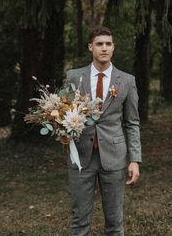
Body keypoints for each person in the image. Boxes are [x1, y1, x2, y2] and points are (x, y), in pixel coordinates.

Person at [63, 26, 142, 236]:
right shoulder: (73, 76)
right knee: (79, 221)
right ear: (91, 47)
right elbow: (63, 113)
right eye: (99, 44)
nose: (104, 48)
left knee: (115, 222)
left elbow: (132, 122)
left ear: (113, 47)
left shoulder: (126, 81)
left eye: (108, 44)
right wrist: (63, 132)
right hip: (81, 157)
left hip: (114, 158)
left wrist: (134, 160)